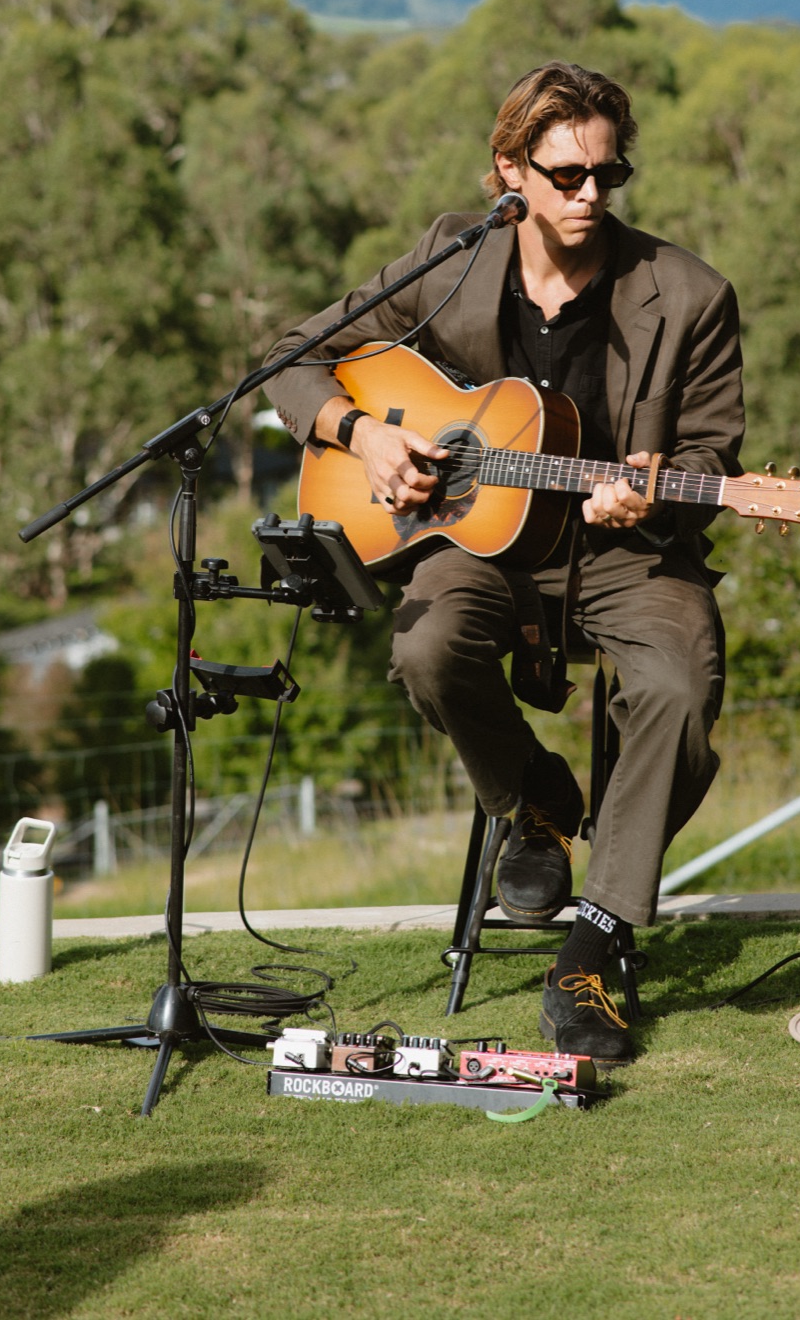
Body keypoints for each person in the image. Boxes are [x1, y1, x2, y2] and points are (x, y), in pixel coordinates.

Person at [264, 61, 744, 1061]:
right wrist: (363, 436)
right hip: (477, 544)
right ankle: (531, 796)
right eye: (565, 176)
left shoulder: (690, 294)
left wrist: (650, 487)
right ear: (508, 173)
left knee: (680, 683)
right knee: (428, 643)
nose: (588, 197)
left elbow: (711, 457)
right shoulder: (451, 257)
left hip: (628, 551)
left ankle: (597, 939)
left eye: (607, 177)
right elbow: (294, 360)